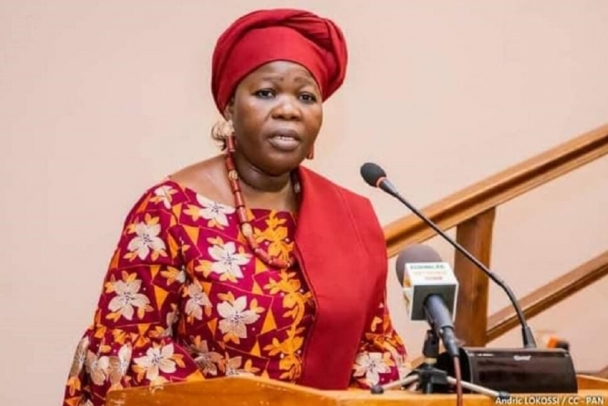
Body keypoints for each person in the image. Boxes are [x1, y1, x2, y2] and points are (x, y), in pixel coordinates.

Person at [62, 8, 408, 406]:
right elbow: (131, 347)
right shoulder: (170, 210)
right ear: (229, 107)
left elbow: (375, 344)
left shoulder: (350, 217)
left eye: (306, 97)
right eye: (266, 93)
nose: (289, 109)